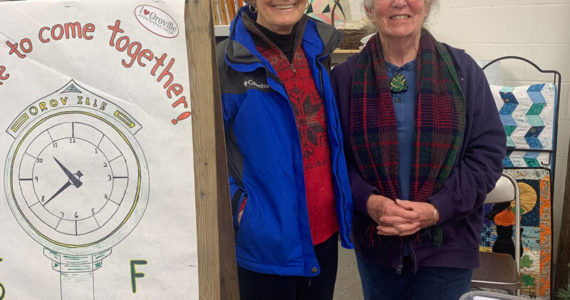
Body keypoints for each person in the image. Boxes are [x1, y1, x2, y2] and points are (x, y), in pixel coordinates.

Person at [330, 0, 506, 299]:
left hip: (448, 244)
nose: (400, 2)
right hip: (378, 244)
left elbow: (486, 155)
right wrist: (369, 201)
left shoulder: (464, 72)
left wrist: (438, 209)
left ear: (427, 6)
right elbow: (334, 158)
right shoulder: (344, 78)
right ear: (370, 9)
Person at [216, 1, 354, 299]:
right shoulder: (225, 61)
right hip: (266, 245)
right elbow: (200, 155)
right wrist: (240, 208)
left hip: (324, 235)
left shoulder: (320, 50)